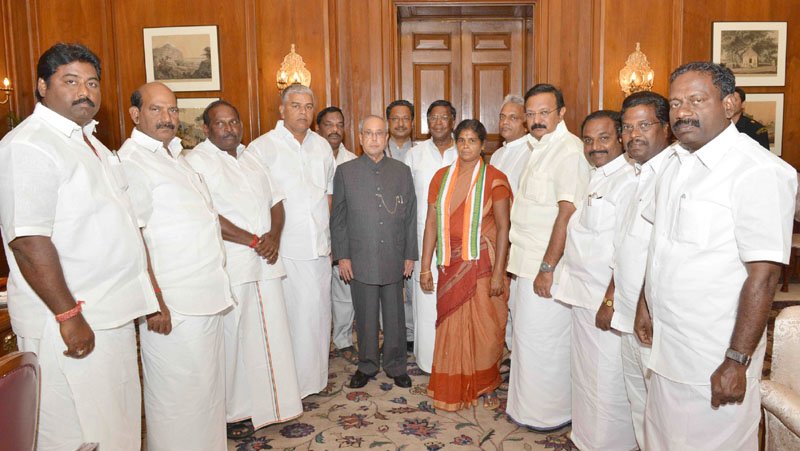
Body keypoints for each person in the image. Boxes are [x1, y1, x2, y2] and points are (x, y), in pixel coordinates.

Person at [0, 43, 158, 451]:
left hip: (111, 314)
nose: (84, 92)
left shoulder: (93, 145)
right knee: (75, 436)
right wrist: (68, 315)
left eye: (91, 82)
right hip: (69, 323)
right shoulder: (30, 144)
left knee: (114, 430)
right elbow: (29, 240)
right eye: (69, 81)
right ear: (41, 86)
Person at [638, 62, 796, 449]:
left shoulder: (758, 171)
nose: (682, 112)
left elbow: (764, 275)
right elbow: (661, 245)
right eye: (675, 103)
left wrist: (737, 360)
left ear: (729, 105)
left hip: (714, 353)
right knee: (662, 439)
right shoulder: (675, 164)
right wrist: (645, 302)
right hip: (667, 346)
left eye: (696, 100)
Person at [119, 82, 233, 451]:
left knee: (206, 394)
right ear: (136, 115)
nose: (167, 118)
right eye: (156, 110)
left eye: (172, 110)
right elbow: (133, 239)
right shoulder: (132, 161)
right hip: (172, 304)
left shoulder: (175, 156)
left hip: (205, 295)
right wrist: (154, 300)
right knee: (176, 399)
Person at [184, 100, 303, 438]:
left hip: (266, 261)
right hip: (233, 264)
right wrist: (253, 241)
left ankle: (278, 404)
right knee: (235, 341)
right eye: (220, 123)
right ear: (206, 129)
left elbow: (277, 202)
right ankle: (236, 411)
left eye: (234, 121)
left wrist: (274, 236)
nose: (229, 128)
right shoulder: (196, 162)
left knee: (274, 333)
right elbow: (206, 215)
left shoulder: (251, 157)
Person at [506, 83, 591, 431]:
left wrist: (546, 268)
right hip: (525, 264)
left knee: (545, 343)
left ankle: (549, 413)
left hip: (546, 268)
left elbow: (567, 213)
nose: (537, 120)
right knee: (529, 340)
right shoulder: (538, 147)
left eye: (544, 112)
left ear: (562, 113)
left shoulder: (569, 152)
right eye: (531, 114)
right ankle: (529, 409)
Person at [247, 83, 336, 397]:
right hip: (282, 249)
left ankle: (314, 380)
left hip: (318, 247)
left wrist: (329, 239)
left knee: (317, 314)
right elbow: (253, 200)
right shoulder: (261, 148)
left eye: (308, 106)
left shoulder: (322, 147)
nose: (303, 112)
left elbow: (328, 195)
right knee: (286, 318)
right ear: (281, 109)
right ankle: (286, 386)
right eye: (296, 105)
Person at [555, 110, 637, 450]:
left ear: (620, 137)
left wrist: (610, 300)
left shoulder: (629, 180)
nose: (595, 146)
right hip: (582, 295)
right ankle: (586, 436)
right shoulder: (595, 175)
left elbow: (628, 248)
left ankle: (608, 443)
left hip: (605, 300)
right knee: (586, 374)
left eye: (603, 138)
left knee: (607, 379)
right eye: (588, 140)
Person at [420, 119, 512, 411]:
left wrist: (499, 272)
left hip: (484, 265)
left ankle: (485, 383)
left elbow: (503, 226)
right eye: (461, 140)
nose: (466, 146)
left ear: (483, 145)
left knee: (486, 326)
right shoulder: (440, 178)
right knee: (451, 324)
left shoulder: (495, 178)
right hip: (450, 263)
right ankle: (454, 382)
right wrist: (425, 266)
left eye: (472, 140)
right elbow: (431, 223)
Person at [330, 115, 417, 389]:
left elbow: (411, 216)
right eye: (368, 133)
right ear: (360, 137)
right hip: (360, 257)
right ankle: (367, 365)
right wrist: (342, 256)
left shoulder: (401, 171)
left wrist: (409, 255)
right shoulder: (345, 171)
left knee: (395, 315)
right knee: (365, 315)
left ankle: (395, 364)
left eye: (380, 134)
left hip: (393, 255)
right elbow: (339, 219)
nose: (374, 139)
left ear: (387, 137)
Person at [611, 91, 671, 447]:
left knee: (661, 406)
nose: (634, 135)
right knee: (638, 400)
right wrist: (613, 298)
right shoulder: (635, 176)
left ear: (666, 128)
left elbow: (661, 252)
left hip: (652, 318)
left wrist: (643, 306)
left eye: (644, 125)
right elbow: (626, 248)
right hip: (627, 309)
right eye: (628, 127)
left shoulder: (674, 175)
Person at [404, 100, 458, 373]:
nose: (438, 122)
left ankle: (453, 356)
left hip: (459, 242)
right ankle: (427, 361)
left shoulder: (465, 150)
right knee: (425, 301)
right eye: (433, 117)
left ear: (453, 121)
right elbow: (405, 201)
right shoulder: (415, 154)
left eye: (443, 117)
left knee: (455, 300)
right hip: (422, 240)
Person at [489, 94, 531, 350]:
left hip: (519, 239)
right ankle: (507, 356)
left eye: (513, 117)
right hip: (497, 239)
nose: (505, 122)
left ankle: (518, 359)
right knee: (502, 300)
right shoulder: (496, 155)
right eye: (502, 117)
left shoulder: (530, 152)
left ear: (525, 122)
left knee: (517, 303)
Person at [317, 106, 359, 364]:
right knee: (316, 295)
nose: (334, 129)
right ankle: (318, 344)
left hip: (343, 238)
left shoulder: (352, 161)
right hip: (313, 236)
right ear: (318, 128)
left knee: (344, 294)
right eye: (328, 124)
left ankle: (343, 340)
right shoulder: (309, 157)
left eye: (339, 124)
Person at [385, 99, 417, 351]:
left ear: (413, 123)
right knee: (386, 286)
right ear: (388, 122)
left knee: (412, 287)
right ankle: (390, 334)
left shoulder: (421, 151)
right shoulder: (376, 148)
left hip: (412, 227)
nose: (400, 123)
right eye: (395, 118)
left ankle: (410, 334)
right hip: (384, 230)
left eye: (405, 118)